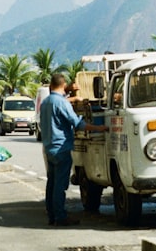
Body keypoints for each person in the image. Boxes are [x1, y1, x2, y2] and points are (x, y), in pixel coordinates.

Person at [39, 73, 108, 226]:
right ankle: (60, 217)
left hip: (49, 147)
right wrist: (99, 127)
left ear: (51, 85)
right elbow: (78, 123)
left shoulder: (45, 102)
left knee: (51, 183)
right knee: (60, 186)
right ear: (63, 85)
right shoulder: (62, 103)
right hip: (61, 148)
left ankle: (51, 215)